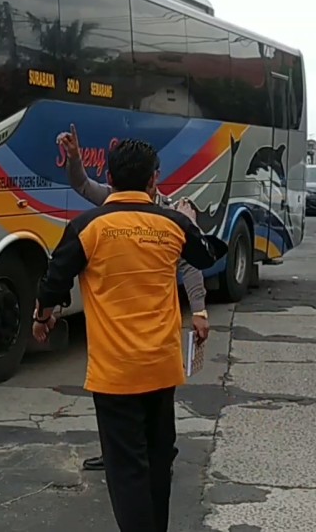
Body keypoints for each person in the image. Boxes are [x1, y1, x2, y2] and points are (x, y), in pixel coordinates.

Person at [33, 139, 228, 532]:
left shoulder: (88, 228)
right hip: (161, 367)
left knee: (127, 471)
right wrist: (188, 217)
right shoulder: (171, 224)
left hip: (116, 373)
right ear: (154, 179)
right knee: (158, 463)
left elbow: (55, 277)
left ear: (109, 176)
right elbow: (208, 255)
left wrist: (43, 316)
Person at [57, 125, 210, 472]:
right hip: (115, 323)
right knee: (117, 397)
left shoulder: (170, 215)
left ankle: (154, 456)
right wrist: (75, 159)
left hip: (153, 326)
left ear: (153, 182)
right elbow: (82, 184)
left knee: (152, 396)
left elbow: (191, 265)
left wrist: (199, 311)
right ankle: (119, 453)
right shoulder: (112, 205)